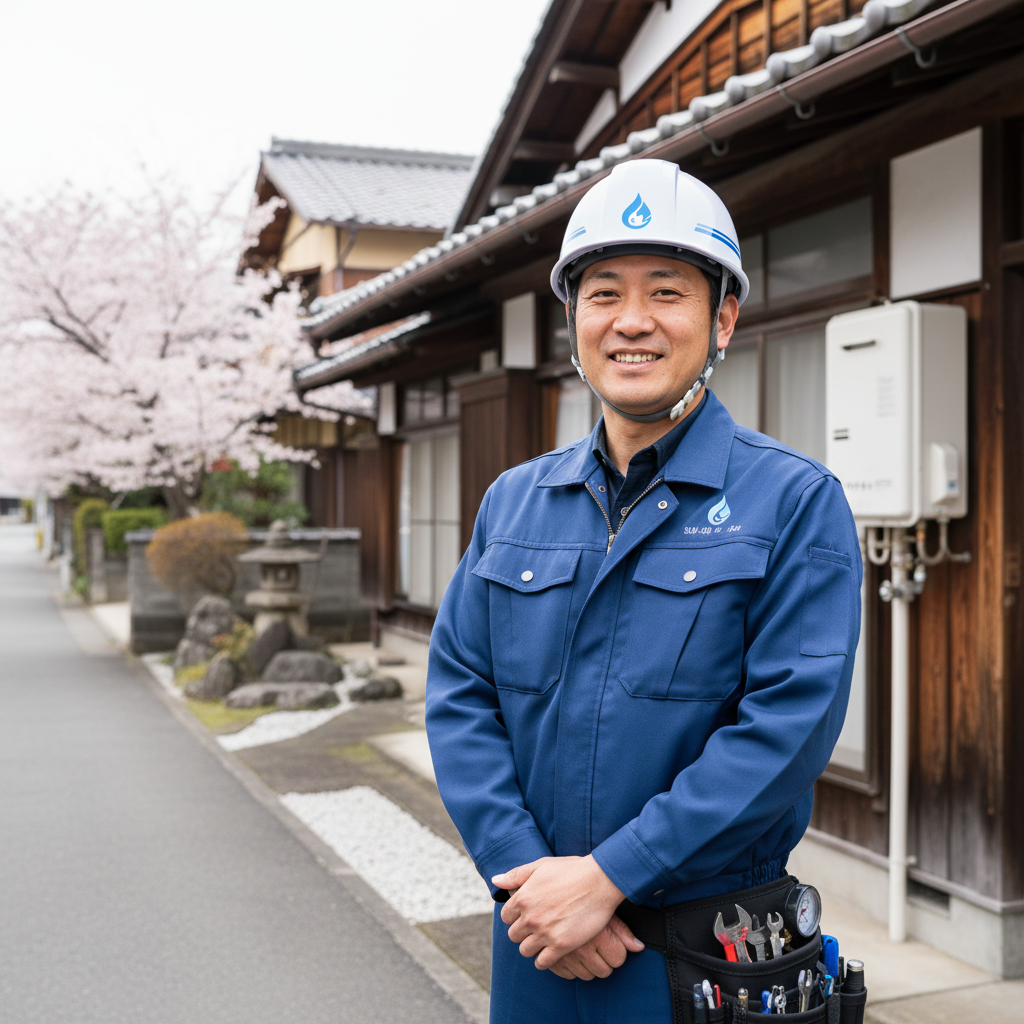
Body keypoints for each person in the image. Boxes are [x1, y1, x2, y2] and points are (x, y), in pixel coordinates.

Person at [426, 158, 861, 1023]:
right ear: (572, 319)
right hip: (538, 942)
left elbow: (787, 729)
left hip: (707, 958)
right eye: (604, 294)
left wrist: (609, 878)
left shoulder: (794, 500)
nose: (632, 322)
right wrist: (532, 880)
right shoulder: (514, 501)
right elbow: (460, 696)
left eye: (667, 292)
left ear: (722, 316)